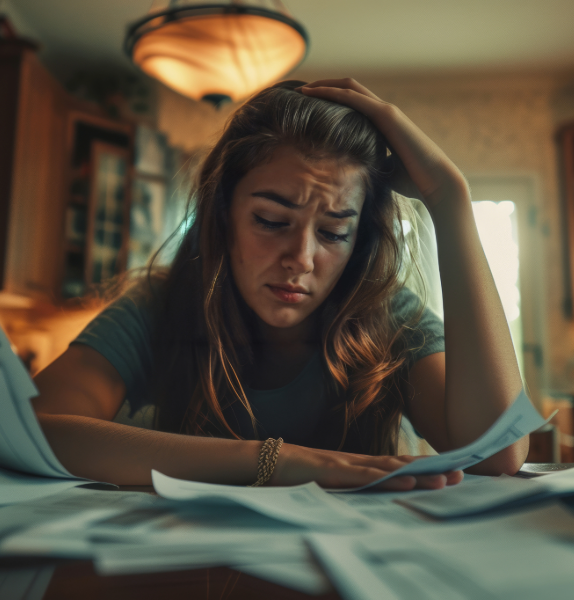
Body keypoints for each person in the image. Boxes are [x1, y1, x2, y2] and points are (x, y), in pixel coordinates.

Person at [33, 79, 527, 490]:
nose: (301, 259)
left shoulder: (389, 315)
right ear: (224, 213)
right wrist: (276, 461)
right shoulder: (163, 304)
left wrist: (449, 198)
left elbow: (498, 455)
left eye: (334, 233)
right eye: (271, 221)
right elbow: (33, 432)